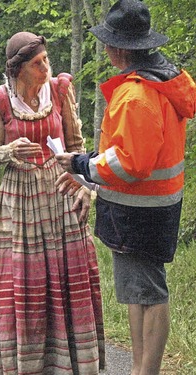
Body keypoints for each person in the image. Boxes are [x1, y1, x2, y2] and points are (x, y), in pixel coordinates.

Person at [56, 1, 196, 373]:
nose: (105, 49)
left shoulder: (137, 95)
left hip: (141, 210)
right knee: (137, 293)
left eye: (107, 42)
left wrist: (80, 163)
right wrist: (89, 160)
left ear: (120, 49)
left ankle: (145, 370)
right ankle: (138, 367)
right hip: (146, 206)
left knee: (149, 293)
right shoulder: (157, 79)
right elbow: (127, 152)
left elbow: (129, 163)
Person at [0, 31, 106, 374]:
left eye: (46, 60)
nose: (46, 67)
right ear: (18, 69)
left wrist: (85, 187)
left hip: (61, 189)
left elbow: (77, 144)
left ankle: (76, 365)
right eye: (37, 64)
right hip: (21, 199)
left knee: (70, 277)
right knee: (30, 284)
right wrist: (9, 149)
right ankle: (34, 366)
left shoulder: (61, 91)